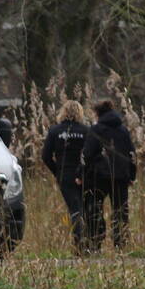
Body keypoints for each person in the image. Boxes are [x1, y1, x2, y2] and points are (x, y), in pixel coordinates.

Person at [81, 99, 136, 252]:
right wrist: (131, 175)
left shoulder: (95, 129)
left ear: (97, 113)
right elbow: (131, 154)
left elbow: (87, 154)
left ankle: (95, 243)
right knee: (120, 211)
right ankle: (120, 244)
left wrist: (81, 174)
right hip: (121, 177)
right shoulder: (123, 130)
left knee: (94, 209)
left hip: (98, 177)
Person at [41, 100, 90, 253]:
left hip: (65, 175)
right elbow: (91, 154)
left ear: (63, 112)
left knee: (75, 209)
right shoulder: (86, 130)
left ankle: (79, 245)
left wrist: (57, 171)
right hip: (84, 174)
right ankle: (89, 243)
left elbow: (45, 156)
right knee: (85, 208)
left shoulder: (55, 131)